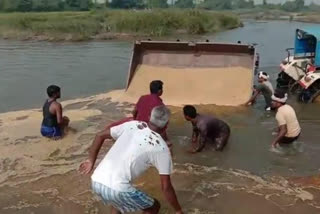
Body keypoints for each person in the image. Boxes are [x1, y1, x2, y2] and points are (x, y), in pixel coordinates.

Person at [79, 106, 183, 214]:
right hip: (118, 189)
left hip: (96, 181)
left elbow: (99, 135)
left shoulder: (133, 125)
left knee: (117, 204)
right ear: (166, 125)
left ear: (149, 117)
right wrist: (178, 210)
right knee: (154, 207)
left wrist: (91, 161)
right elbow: (166, 187)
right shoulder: (161, 148)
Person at [105, 80, 171, 147]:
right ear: (159, 91)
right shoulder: (160, 105)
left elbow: (135, 112)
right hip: (150, 128)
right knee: (167, 142)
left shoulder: (142, 98)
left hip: (138, 125)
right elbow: (163, 124)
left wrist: (134, 120)